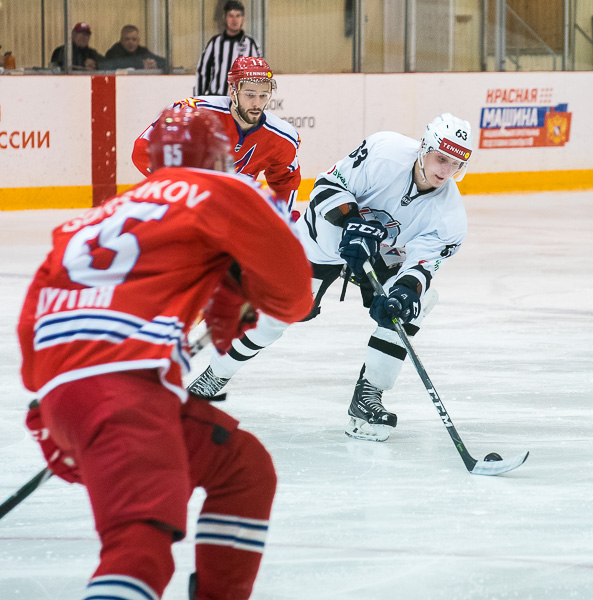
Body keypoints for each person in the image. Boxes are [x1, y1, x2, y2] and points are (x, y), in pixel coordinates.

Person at [18, 105, 314, 600]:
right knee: (139, 550)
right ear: (220, 157)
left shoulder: (96, 217)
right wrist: (248, 293)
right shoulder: (222, 189)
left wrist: (51, 411)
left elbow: (33, 327)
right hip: (127, 391)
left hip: (66, 391)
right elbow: (293, 295)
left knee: (242, 469)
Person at [188, 113, 474, 443]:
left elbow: (423, 264)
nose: (445, 171)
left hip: (381, 254)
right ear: (425, 147)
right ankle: (215, 375)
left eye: (455, 164)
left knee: (414, 304)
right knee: (279, 314)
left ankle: (369, 396)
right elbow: (327, 185)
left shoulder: (450, 216)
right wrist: (351, 223)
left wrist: (407, 292)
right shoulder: (385, 152)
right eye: (441, 158)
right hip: (323, 238)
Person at [134, 56, 302, 209]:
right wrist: (181, 191)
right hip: (184, 206)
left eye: (263, 95)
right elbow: (143, 150)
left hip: (231, 213)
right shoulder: (193, 112)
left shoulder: (283, 137)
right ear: (232, 91)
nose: (257, 103)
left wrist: (281, 219)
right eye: (250, 94)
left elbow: (285, 182)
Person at [196, 0, 260, 96]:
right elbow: (203, 72)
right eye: (231, 15)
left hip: (241, 101)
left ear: (243, 19)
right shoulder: (214, 43)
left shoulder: (251, 44)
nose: (234, 20)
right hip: (216, 99)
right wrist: (199, 99)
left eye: (238, 16)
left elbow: (259, 73)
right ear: (225, 18)